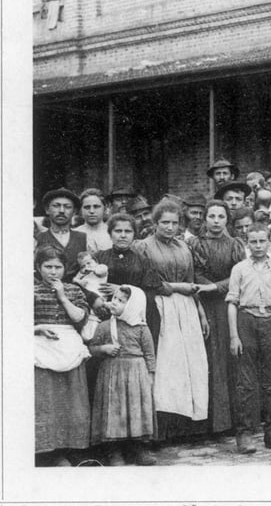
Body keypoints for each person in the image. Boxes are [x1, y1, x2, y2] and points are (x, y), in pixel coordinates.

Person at [135, 199, 210, 441]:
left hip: (186, 309)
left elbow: (192, 282)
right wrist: (178, 286)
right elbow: (148, 281)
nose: (169, 227)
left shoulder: (183, 247)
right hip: (160, 307)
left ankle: (186, 426)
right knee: (168, 366)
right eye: (164, 222)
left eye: (174, 223)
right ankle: (161, 430)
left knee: (190, 365)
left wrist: (200, 312)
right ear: (155, 223)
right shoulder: (143, 247)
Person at [226, 223, 271, 453]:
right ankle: (244, 434)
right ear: (247, 243)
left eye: (262, 241)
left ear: (268, 242)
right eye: (253, 241)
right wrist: (234, 336)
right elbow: (232, 303)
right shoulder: (239, 269)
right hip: (247, 320)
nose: (257, 246)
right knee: (245, 382)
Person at [188, 200, 247, 435]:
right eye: (211, 216)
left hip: (229, 305)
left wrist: (216, 287)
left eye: (220, 217)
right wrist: (207, 287)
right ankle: (210, 423)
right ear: (204, 219)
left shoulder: (235, 244)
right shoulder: (196, 244)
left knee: (231, 359)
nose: (215, 221)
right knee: (209, 360)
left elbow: (239, 275)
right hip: (203, 305)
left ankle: (233, 422)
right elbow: (194, 273)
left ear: (226, 220)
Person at [34, 245, 92, 466]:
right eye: (47, 266)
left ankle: (72, 448)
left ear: (65, 268)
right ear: (38, 268)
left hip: (69, 346)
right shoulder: (29, 290)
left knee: (72, 403)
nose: (52, 272)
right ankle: (48, 451)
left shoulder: (74, 290)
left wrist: (62, 296)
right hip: (40, 347)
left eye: (57, 267)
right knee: (46, 401)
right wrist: (37, 328)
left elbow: (80, 319)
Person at [88, 285, 156, 466]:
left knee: (136, 411)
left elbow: (149, 354)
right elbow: (91, 349)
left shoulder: (142, 328)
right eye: (114, 298)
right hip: (112, 376)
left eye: (121, 301)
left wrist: (150, 376)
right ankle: (114, 451)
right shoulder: (104, 326)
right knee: (114, 410)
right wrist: (103, 348)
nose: (114, 303)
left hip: (136, 375)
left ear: (134, 305)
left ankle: (138, 448)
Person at [36, 187, 87, 280]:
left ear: (74, 212)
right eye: (56, 206)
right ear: (47, 210)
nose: (62, 211)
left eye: (67, 207)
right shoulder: (38, 238)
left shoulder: (83, 238)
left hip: (78, 291)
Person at [75, 188, 111, 253]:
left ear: (105, 208)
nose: (91, 211)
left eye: (96, 207)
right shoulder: (74, 234)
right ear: (80, 210)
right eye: (87, 207)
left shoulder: (113, 233)